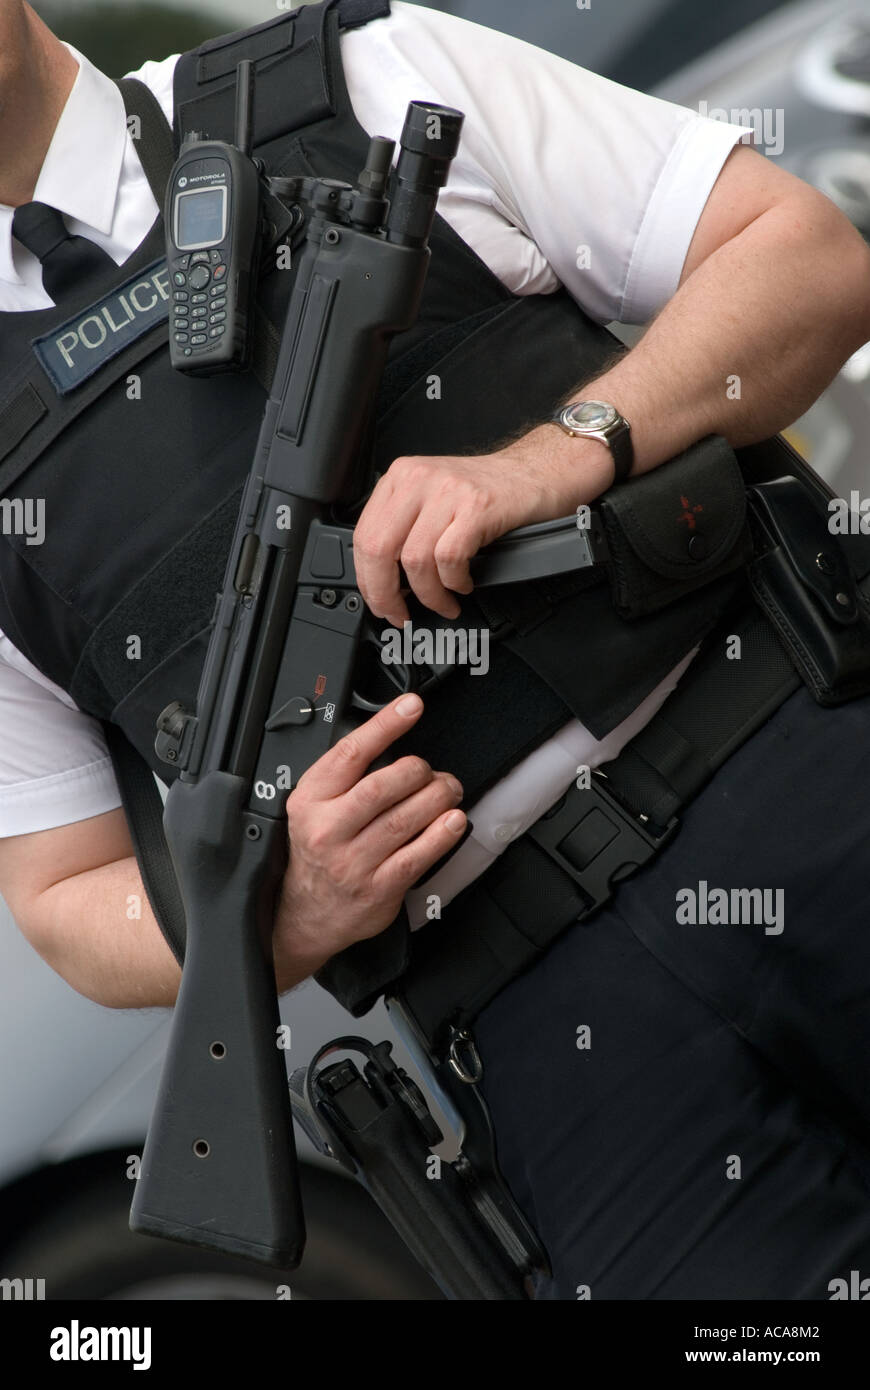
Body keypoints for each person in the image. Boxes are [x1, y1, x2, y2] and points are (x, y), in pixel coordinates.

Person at [0, 0, 868, 1300]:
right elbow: (63, 897)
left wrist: (550, 456)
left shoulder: (361, 74)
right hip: (547, 1031)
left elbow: (807, 260)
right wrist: (270, 920)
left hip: (800, 778)